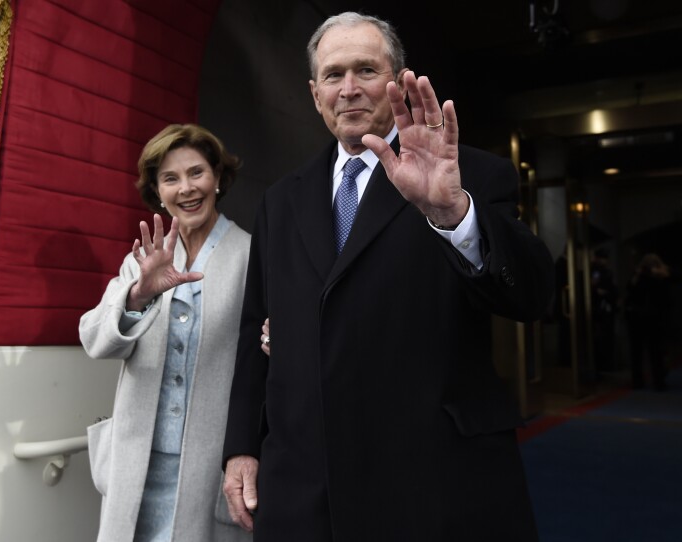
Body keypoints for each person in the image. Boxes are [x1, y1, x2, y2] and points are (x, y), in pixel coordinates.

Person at [221, 12, 554, 541]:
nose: (348, 89)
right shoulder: (280, 200)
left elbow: (534, 295)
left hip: (432, 487)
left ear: (398, 80)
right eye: (333, 75)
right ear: (314, 93)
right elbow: (253, 330)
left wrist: (453, 215)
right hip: (306, 489)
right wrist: (241, 445)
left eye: (365, 71)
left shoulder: (468, 175)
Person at [80, 124, 252, 542]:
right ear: (157, 191)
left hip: (207, 467)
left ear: (217, 178)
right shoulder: (143, 258)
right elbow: (94, 338)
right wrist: (138, 294)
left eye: (197, 173)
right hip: (137, 463)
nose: (187, 188)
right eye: (171, 178)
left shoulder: (251, 255)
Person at [624, 252, 674, 391]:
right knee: (655, 353)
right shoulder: (656, 278)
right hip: (652, 319)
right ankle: (658, 381)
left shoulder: (640, 277)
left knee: (639, 352)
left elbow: (631, 293)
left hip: (639, 319)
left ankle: (639, 381)